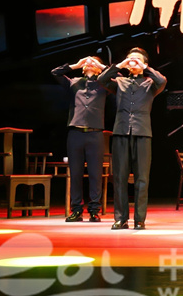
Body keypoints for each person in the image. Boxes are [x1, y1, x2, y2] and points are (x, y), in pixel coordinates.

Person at [98, 48, 167, 230]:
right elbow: (102, 79)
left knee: (141, 178)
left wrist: (145, 67)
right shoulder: (120, 82)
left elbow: (162, 81)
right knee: (119, 177)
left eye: (137, 59)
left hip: (142, 133)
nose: (133, 61)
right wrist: (120, 65)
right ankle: (120, 219)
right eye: (130, 59)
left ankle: (139, 219)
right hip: (121, 132)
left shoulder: (150, 83)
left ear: (144, 63)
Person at [51, 56, 109, 223]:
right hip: (75, 133)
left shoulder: (104, 83)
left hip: (95, 133)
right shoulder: (74, 82)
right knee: (75, 173)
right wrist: (75, 65)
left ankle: (94, 210)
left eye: (93, 62)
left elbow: (117, 75)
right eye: (87, 62)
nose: (89, 63)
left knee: (95, 174)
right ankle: (76, 209)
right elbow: (55, 73)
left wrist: (100, 65)